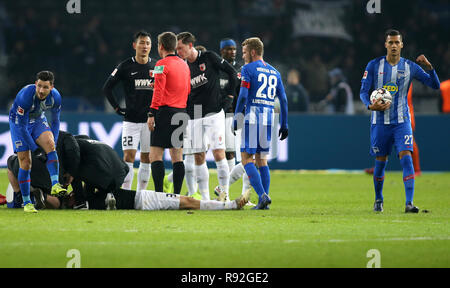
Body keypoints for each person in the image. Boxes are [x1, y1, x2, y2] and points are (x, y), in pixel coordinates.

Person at [359, 29, 440, 213]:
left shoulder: (410, 67)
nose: (394, 46)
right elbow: (363, 91)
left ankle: (409, 203)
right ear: (385, 45)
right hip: (379, 122)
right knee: (380, 162)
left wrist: (430, 67)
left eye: (397, 42)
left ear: (402, 45)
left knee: (407, 159)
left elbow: (434, 85)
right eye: (391, 42)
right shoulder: (373, 66)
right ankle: (378, 199)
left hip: (402, 121)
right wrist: (370, 106)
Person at [176, 32, 238, 201]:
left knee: (219, 153)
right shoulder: (182, 66)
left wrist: (230, 97)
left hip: (213, 113)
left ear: (190, 46)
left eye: (180, 48)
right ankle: (204, 198)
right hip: (194, 115)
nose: (178, 52)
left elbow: (232, 73)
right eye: (176, 49)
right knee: (198, 155)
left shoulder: (210, 57)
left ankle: (224, 195)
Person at [232, 37, 289, 210]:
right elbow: (284, 100)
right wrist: (284, 124)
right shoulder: (275, 72)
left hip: (253, 116)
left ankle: (263, 196)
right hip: (269, 117)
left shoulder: (248, 69)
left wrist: (236, 117)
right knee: (262, 160)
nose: (243, 56)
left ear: (253, 52)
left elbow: (242, 96)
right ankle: (263, 201)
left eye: (244, 52)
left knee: (246, 158)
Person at [103, 30, 156, 192]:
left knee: (146, 157)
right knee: (128, 157)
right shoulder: (125, 66)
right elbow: (107, 88)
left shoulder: (157, 66)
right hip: (131, 120)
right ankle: (126, 192)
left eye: (147, 43)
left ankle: (141, 193)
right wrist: (117, 108)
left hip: (150, 120)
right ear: (134, 46)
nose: (145, 46)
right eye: (141, 43)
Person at [8, 70, 67, 213]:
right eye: (39, 86)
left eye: (45, 87)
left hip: (38, 120)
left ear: (51, 87)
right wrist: (35, 149)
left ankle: (55, 184)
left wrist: (54, 142)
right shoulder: (25, 96)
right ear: (35, 84)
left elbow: (56, 121)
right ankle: (27, 202)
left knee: (51, 145)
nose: (41, 90)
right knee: (26, 162)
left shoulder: (55, 98)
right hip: (19, 123)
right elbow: (22, 127)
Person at [147, 31, 191, 195]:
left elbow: (158, 92)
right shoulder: (184, 65)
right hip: (181, 112)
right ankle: (177, 196)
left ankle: (159, 194)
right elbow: (187, 90)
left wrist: (151, 113)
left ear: (161, 46)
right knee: (177, 157)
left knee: (155, 155)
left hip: (164, 112)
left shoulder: (161, 64)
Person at [105, 186, 251, 211]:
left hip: (143, 198)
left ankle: (224, 204)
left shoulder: (93, 193)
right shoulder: (94, 197)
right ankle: (231, 205)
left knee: (189, 201)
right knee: (189, 202)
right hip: (144, 200)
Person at [218, 38, 242, 181]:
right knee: (200, 151)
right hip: (213, 113)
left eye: (234, 49)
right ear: (222, 51)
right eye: (228, 49)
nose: (232, 52)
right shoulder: (216, 68)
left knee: (230, 151)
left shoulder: (239, 69)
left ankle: (226, 188)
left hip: (231, 114)